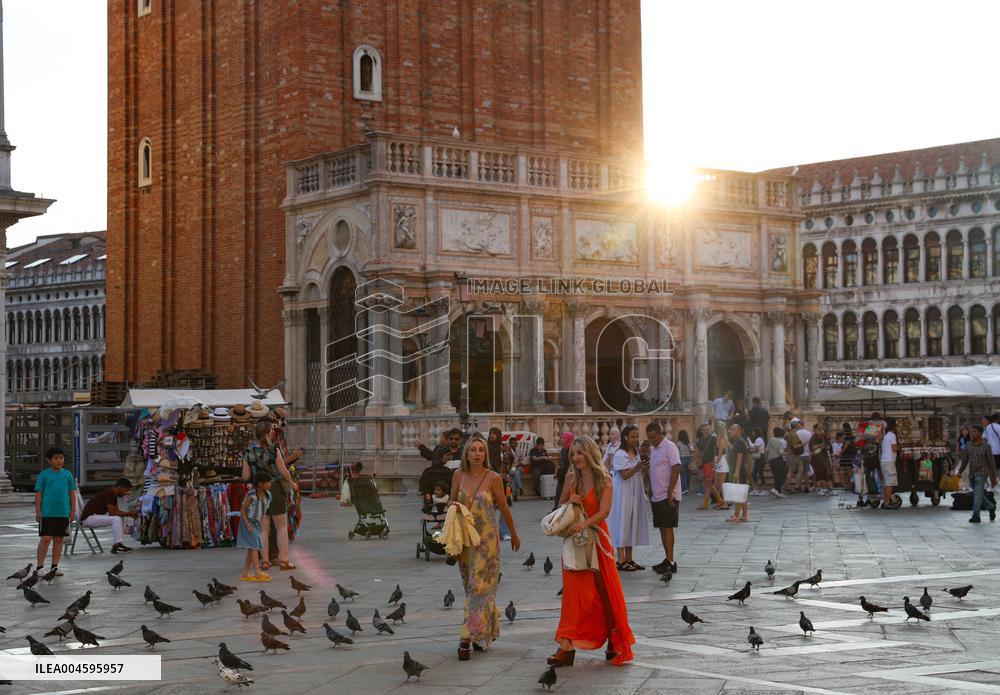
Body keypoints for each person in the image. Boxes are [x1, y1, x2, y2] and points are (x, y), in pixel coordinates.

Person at [549, 436, 635, 668]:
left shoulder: (603, 479)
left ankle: (613, 638)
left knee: (605, 592)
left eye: (580, 453)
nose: (575, 458)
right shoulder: (571, 478)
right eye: (573, 454)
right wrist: (571, 502)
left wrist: (584, 524)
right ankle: (566, 645)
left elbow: (604, 512)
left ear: (589, 454)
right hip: (575, 542)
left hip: (598, 540)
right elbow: (559, 506)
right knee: (574, 594)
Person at [449, 433, 520, 660]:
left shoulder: (493, 478)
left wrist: (514, 535)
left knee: (479, 589)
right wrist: (454, 509)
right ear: (466, 453)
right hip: (465, 542)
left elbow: (504, 508)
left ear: (485, 454)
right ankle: (483, 633)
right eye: (473, 450)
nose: (477, 454)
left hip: (488, 542)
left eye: (481, 450)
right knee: (473, 590)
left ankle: (465, 638)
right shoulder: (458, 475)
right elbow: (451, 502)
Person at [242, 419, 297, 571]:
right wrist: (292, 483)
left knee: (263, 528)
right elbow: (283, 470)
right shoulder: (274, 450)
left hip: (259, 492)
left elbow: (245, 476)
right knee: (281, 526)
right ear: (268, 433)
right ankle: (284, 560)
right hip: (275, 489)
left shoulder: (248, 452)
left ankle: (265, 561)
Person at [608, 424, 650, 570]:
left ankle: (629, 558)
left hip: (635, 490)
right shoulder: (620, 454)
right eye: (632, 436)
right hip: (623, 492)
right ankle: (620, 559)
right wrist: (638, 467)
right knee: (623, 522)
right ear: (625, 437)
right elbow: (624, 475)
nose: (635, 439)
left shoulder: (637, 453)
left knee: (632, 522)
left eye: (637, 436)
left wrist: (644, 467)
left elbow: (639, 473)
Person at [34, 446, 77, 578]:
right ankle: (40, 567)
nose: (59, 461)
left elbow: (72, 494)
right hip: (47, 513)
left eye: (61, 458)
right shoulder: (44, 475)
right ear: (49, 460)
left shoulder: (67, 474)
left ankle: (54, 567)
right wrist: (38, 511)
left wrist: (73, 511)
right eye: (56, 458)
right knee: (46, 538)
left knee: (59, 539)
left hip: (63, 512)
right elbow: (39, 494)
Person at [646, 422, 680, 575]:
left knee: (668, 527)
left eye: (653, 437)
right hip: (656, 495)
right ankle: (667, 559)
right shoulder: (653, 450)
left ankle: (671, 561)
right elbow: (653, 470)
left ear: (660, 433)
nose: (651, 440)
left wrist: (670, 492)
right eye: (649, 438)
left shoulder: (670, 446)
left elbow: (676, 468)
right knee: (661, 527)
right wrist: (651, 489)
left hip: (668, 495)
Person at [80, 478, 138, 554]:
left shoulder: (113, 493)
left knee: (119, 517)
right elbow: (112, 513)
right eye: (125, 490)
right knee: (116, 519)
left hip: (94, 516)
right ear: (120, 487)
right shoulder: (110, 493)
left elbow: (117, 511)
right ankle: (117, 545)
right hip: (88, 518)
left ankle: (118, 544)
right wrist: (130, 514)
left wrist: (130, 514)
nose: (126, 493)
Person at [237, 471, 273, 581]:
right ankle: (257, 572)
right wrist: (247, 524)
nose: (270, 484)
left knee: (252, 547)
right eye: (267, 483)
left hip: (256, 523)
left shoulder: (268, 495)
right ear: (260, 484)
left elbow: (262, 511)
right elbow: (243, 509)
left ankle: (246, 573)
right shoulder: (252, 495)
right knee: (254, 546)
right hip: (248, 521)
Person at [958, 425, 997, 523]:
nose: (972, 434)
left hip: (982, 473)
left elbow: (991, 463)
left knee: (978, 493)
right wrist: (960, 471)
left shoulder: (986, 446)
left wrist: (993, 477)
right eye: (972, 432)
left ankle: (976, 515)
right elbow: (965, 460)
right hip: (972, 473)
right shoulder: (968, 445)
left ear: (980, 433)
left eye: (974, 432)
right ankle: (990, 506)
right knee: (977, 494)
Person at [695, 423, 727, 510]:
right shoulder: (700, 439)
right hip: (704, 464)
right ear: (701, 431)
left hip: (710, 463)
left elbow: (716, 451)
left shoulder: (713, 439)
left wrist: (714, 463)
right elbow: (697, 451)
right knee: (709, 484)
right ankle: (719, 501)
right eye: (704, 430)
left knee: (709, 483)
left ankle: (713, 502)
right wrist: (694, 461)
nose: (706, 431)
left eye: (707, 429)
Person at [726, 424, 749, 522]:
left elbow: (739, 457)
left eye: (733, 429)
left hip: (739, 470)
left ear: (739, 431)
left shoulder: (739, 442)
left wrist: (736, 472)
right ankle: (741, 515)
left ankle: (741, 515)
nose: (730, 431)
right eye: (730, 429)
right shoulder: (736, 441)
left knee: (740, 493)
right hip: (738, 469)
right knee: (739, 493)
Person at [553, 432, 576, 510]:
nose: (562, 439)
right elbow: (561, 462)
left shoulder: (572, 450)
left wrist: (568, 474)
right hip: (561, 473)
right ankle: (556, 508)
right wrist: (556, 472)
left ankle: (561, 510)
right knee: (558, 492)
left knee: (566, 493)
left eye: (564, 438)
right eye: (562, 438)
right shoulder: (563, 448)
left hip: (568, 474)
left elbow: (571, 463)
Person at [880, 418, 899, 509]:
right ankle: (887, 503)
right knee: (889, 483)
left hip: (884, 461)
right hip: (889, 461)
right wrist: (901, 447)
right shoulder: (892, 435)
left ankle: (885, 501)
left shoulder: (885, 435)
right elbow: (894, 449)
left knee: (886, 483)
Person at [809, 425, 833, 496]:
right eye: (819, 429)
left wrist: (827, 446)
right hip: (816, 458)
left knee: (825, 473)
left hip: (824, 457)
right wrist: (821, 445)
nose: (821, 431)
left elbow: (829, 446)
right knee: (819, 474)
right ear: (815, 430)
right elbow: (812, 447)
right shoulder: (813, 438)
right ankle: (819, 489)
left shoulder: (824, 437)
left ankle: (824, 488)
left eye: (822, 429)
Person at [766, 427, 788, 498]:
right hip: (778, 459)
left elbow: (766, 450)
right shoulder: (780, 441)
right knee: (782, 476)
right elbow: (781, 452)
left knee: (776, 476)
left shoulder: (770, 440)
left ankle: (779, 492)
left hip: (771, 460)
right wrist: (788, 453)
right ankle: (776, 488)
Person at [676, 430, 692, 495]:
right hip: (688, 458)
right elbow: (691, 450)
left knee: (683, 475)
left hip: (681, 458)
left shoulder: (678, 443)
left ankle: (684, 489)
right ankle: (687, 487)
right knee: (688, 474)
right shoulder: (688, 442)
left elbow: (677, 451)